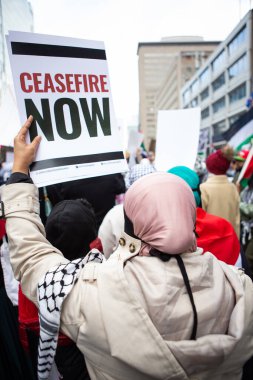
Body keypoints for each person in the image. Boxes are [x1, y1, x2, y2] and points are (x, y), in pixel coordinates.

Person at [1, 116, 253, 380]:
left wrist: (20, 172)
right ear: (191, 215)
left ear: (131, 224)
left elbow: (31, 259)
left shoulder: (97, 293)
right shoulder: (237, 286)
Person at [200, 145, 240, 238]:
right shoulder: (233, 188)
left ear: (210, 167)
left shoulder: (204, 188)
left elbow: (200, 219)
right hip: (230, 241)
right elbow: (236, 219)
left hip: (211, 242)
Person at [240, 174, 253, 276]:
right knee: (242, 254)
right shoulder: (247, 190)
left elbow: (250, 210)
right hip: (245, 228)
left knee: (248, 257)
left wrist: (240, 205)